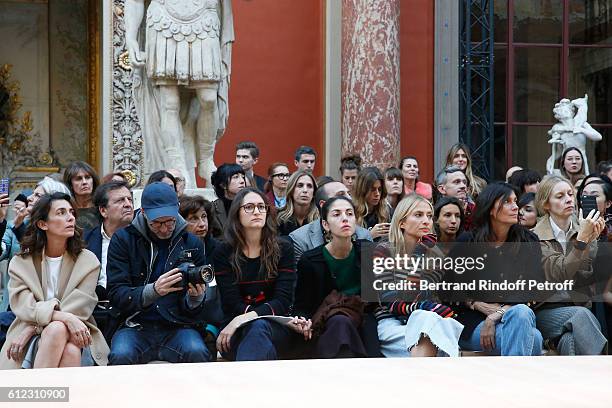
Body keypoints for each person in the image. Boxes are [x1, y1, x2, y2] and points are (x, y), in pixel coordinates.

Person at [106, 182, 222, 365]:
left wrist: (196, 299)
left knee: (198, 352)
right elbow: (115, 293)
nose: (163, 228)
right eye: (156, 223)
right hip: (135, 325)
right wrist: (153, 291)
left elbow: (201, 307)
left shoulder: (192, 243)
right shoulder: (123, 240)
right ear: (143, 212)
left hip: (179, 326)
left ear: (177, 210)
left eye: (170, 221)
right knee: (121, 355)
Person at [124, 0, 234, 187]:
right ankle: (177, 162)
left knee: (208, 99)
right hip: (163, 20)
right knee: (169, 103)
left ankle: (206, 159)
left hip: (204, 18)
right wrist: (131, 38)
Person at [0, 192, 109, 369]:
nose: (70, 218)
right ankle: (57, 396)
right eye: (61, 213)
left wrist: (35, 327)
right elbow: (24, 307)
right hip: (31, 332)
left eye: (72, 212)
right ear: (43, 224)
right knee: (66, 343)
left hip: (76, 330)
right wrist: (62, 316)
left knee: (60, 332)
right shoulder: (21, 263)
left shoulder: (88, 261)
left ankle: (40, 394)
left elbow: (79, 308)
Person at [449, 182, 544, 356]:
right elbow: (447, 286)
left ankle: (510, 381)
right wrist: (475, 303)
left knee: (521, 313)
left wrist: (497, 314)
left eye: (515, 201)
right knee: (534, 340)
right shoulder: (468, 242)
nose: (516, 207)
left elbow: (535, 288)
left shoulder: (528, 241)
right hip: (473, 323)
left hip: (515, 317)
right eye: (507, 202)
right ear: (491, 208)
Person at [212, 188, 298, 360]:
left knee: (259, 328)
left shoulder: (283, 248)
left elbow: (282, 301)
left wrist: (245, 318)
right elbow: (231, 303)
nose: (257, 211)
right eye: (249, 207)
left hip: (275, 326)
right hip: (234, 329)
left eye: (261, 207)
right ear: (237, 213)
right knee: (259, 337)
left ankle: (245, 383)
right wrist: (240, 321)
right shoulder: (223, 251)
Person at [374, 194, 464, 357]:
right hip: (393, 325)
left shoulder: (436, 256)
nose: (426, 221)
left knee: (428, 325)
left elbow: (416, 297)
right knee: (430, 328)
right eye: (418, 215)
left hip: (426, 321)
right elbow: (393, 303)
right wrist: (419, 254)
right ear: (402, 222)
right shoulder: (383, 251)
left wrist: (420, 252)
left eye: (429, 216)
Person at [532, 175, 607, 355]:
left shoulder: (583, 229)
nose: (568, 199)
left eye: (570, 194)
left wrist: (590, 240)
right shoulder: (534, 236)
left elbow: (584, 277)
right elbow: (560, 273)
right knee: (581, 316)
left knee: (569, 340)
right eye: (560, 196)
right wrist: (582, 240)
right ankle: (604, 370)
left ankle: (574, 382)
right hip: (545, 311)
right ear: (546, 204)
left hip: (578, 307)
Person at [294, 197, 374, 358]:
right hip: (326, 321)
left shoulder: (368, 251)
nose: (345, 218)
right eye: (336, 214)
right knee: (339, 322)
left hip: (363, 316)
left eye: (349, 214)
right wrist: (303, 322)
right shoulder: (310, 260)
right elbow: (303, 305)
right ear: (325, 224)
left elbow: (377, 300)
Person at [289, 180, 372, 264]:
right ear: (323, 204)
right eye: (341, 195)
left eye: (349, 194)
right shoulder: (300, 239)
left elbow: (371, 275)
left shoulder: (364, 235)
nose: (349, 198)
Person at [84, 181, 134, 301]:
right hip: (92, 308)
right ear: (103, 211)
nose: (128, 205)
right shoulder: (85, 241)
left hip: (128, 309)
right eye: (120, 200)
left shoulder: (141, 239)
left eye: (130, 200)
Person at [276, 171, 318, 236]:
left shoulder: (320, 220)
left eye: (309, 186)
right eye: (300, 185)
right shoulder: (278, 218)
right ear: (291, 190)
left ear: (314, 192)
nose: (305, 190)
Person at [353, 167, 390, 240]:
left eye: (379, 189)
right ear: (363, 190)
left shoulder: (385, 210)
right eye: (372, 190)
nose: (377, 194)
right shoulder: (352, 212)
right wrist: (370, 235)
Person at [210, 163, 246, 237]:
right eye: (236, 177)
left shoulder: (249, 204)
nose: (242, 181)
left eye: (243, 177)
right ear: (223, 184)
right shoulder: (212, 209)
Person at [63, 161, 101, 231]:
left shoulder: (102, 206)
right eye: (78, 179)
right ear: (70, 184)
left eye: (87, 177)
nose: (84, 182)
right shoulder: (66, 208)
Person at [435, 166, 474, 230]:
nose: (463, 186)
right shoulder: (431, 211)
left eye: (464, 182)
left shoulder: (475, 210)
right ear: (442, 189)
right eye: (457, 182)